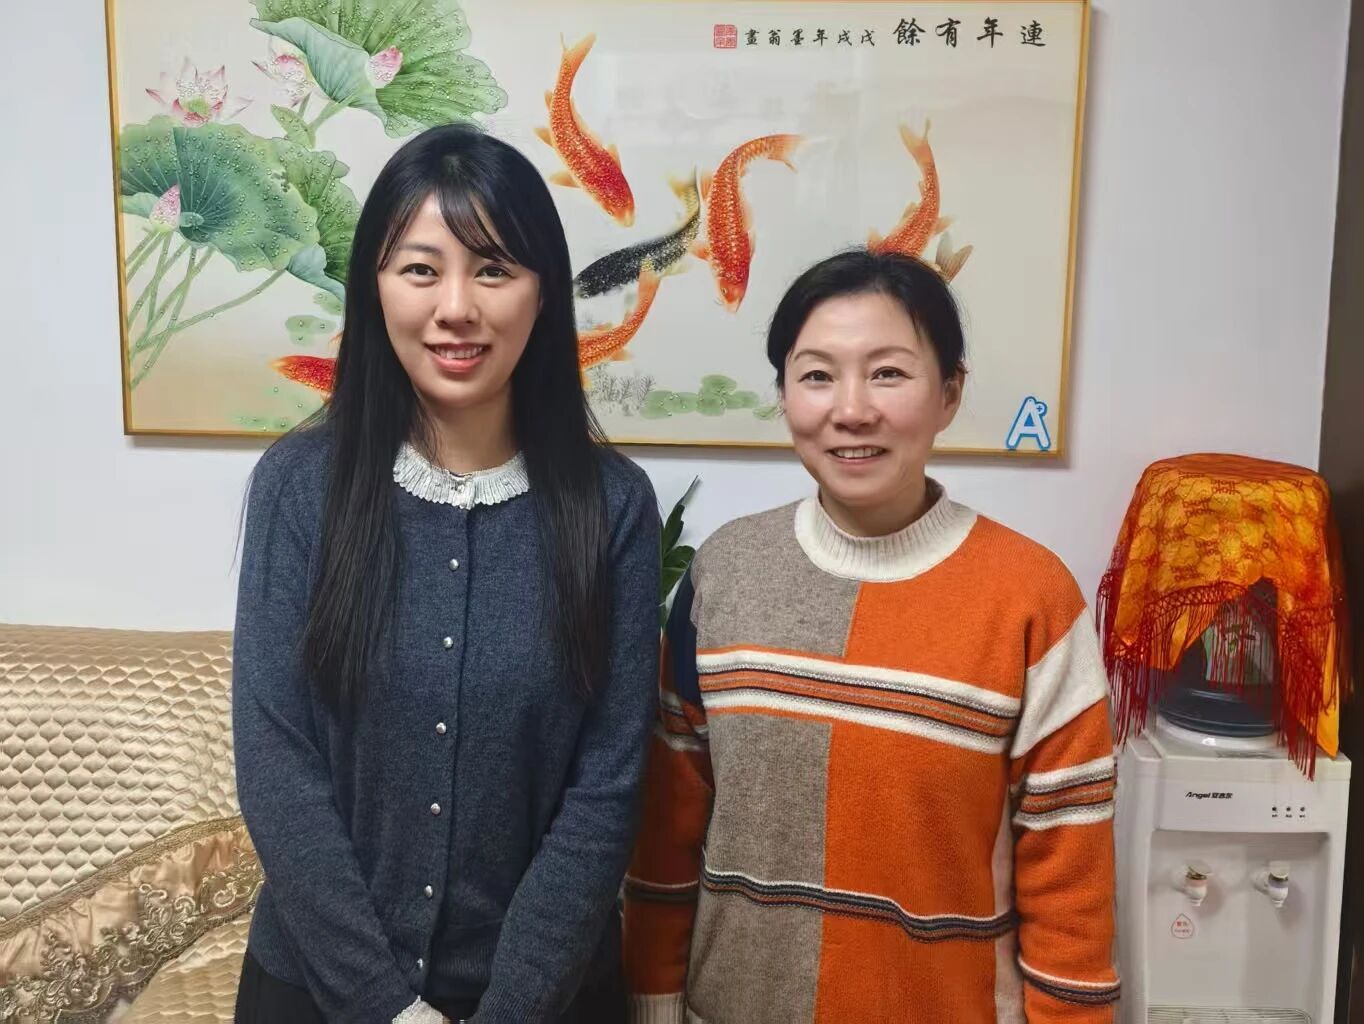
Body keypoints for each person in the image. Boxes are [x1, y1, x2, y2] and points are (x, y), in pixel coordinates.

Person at [232, 122, 660, 1024]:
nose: (456, 307)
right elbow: (277, 765)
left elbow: (607, 786)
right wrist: (386, 1007)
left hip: (549, 1000)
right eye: (421, 269)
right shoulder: (299, 487)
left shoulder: (612, 505)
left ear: (544, 292)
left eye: (494, 269)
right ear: (375, 287)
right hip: (317, 991)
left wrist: (513, 1008)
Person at [623, 249, 1119, 1023]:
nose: (851, 410)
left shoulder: (1031, 598)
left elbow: (1071, 884)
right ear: (784, 395)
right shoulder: (724, 572)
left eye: (888, 373)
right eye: (817, 375)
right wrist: (654, 1005)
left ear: (949, 392)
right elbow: (667, 834)